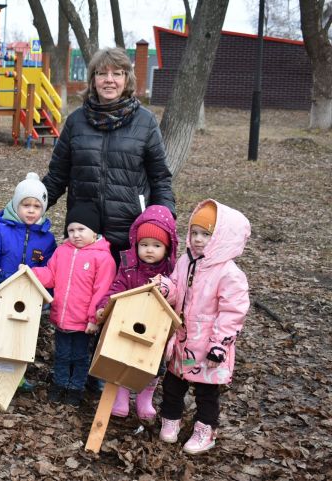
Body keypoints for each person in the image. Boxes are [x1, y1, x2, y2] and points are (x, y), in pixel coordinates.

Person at [41, 46, 176, 265]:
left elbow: (160, 178)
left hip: (131, 237)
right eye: (102, 73)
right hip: (85, 234)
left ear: (127, 78)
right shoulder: (76, 122)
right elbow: (56, 177)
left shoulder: (145, 122)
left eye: (117, 73)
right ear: (93, 79)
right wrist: (28, 204)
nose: (109, 80)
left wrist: (164, 218)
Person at [155, 200, 250, 454]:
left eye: (205, 234)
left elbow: (233, 311)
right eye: (194, 232)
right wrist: (166, 288)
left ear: (220, 237)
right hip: (183, 340)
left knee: (207, 392)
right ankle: (171, 418)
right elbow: (177, 287)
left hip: (209, 345)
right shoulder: (186, 261)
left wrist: (220, 344)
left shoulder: (229, 273)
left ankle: (205, 428)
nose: (197, 239)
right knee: (173, 384)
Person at [95, 205, 177, 420]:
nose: (149, 250)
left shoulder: (171, 272)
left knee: (151, 364)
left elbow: (178, 298)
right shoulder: (129, 267)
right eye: (144, 245)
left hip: (155, 328)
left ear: (167, 248)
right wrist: (105, 305)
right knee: (122, 358)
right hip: (128, 323)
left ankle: (144, 398)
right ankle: (120, 396)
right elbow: (117, 287)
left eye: (156, 245)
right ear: (136, 245)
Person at [0, 172, 57, 391]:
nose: (31, 210)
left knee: (22, 336)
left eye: (36, 206)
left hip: (29, 297)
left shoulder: (47, 239)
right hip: (2, 293)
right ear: (15, 204)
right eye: (25, 205)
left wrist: (47, 294)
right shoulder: (1, 231)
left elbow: (51, 269)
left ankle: (16, 376)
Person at [31, 203, 116, 406]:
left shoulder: (102, 257)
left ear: (94, 231)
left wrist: (94, 319)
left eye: (81, 229)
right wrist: (32, 272)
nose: (76, 234)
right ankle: (60, 384)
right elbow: (50, 275)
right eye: (71, 230)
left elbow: (102, 292)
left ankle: (76, 388)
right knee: (61, 354)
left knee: (79, 356)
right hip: (62, 317)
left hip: (83, 322)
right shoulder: (62, 252)